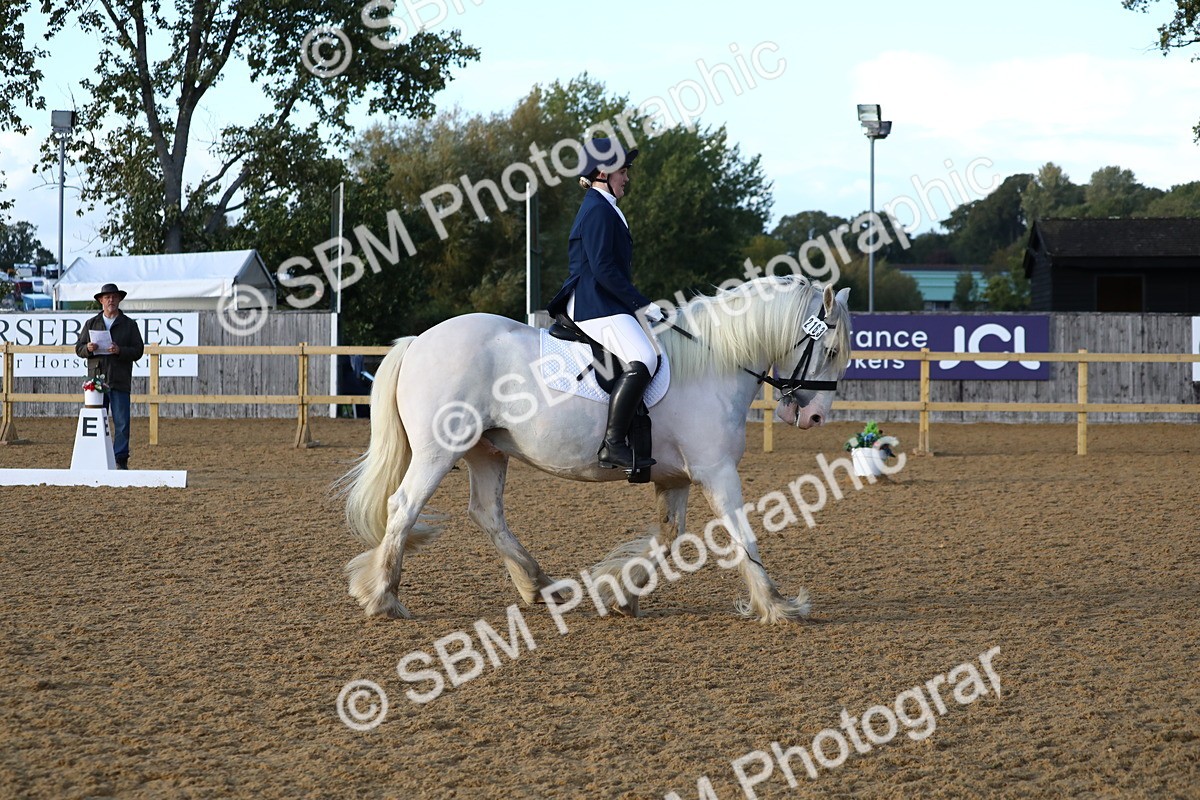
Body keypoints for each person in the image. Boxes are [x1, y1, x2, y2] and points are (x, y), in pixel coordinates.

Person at [546, 137, 663, 470]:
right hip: (593, 302)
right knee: (643, 357)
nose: (627, 178)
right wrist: (642, 303)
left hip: (604, 300)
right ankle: (612, 443)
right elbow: (603, 269)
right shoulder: (598, 209)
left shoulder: (606, 207)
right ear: (602, 173)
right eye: (622, 171)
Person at [74, 283, 145, 470]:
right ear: (100, 301)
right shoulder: (91, 323)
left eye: (114, 297)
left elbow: (138, 350)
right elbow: (78, 348)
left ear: (119, 299)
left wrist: (120, 350)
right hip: (96, 381)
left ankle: (120, 459)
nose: (111, 300)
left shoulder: (130, 325)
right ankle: (96, 458)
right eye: (107, 297)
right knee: (97, 420)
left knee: (122, 423)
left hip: (120, 378)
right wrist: (87, 349)